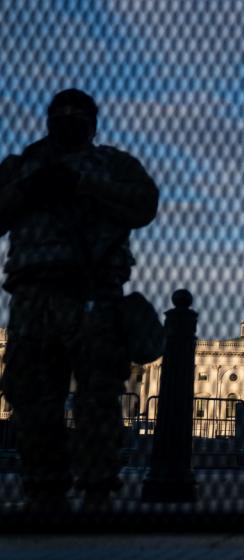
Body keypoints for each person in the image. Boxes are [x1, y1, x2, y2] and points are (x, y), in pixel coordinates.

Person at [0, 89, 159, 512]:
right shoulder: (22, 167)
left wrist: (83, 183)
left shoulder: (113, 164)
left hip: (94, 293)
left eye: (80, 113)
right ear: (48, 118)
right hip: (33, 293)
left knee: (98, 395)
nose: (70, 119)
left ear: (93, 122)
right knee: (32, 394)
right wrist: (29, 189)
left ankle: (97, 489)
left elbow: (145, 205)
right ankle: (43, 487)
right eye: (62, 112)